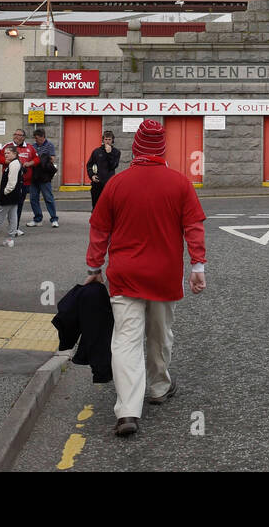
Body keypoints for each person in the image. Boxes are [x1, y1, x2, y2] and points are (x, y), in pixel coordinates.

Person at [85, 120, 207, 438]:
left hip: (124, 274)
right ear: (162, 148)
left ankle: (127, 410)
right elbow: (194, 227)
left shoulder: (116, 184)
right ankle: (159, 388)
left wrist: (94, 268)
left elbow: (99, 230)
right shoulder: (180, 184)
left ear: (136, 147)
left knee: (125, 340)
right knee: (159, 334)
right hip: (164, 275)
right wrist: (198, 267)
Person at [0, 129, 38, 229]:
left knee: (18, 205)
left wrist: (29, 163)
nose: (16, 136)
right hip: (10, 182)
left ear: (23, 137)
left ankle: (15, 227)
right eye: (15, 134)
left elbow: (37, 159)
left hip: (24, 182)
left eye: (19, 135)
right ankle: (9, 226)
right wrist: (10, 161)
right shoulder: (7, 146)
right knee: (7, 205)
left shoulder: (29, 147)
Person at [25, 128, 59, 227]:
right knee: (33, 198)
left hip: (44, 176)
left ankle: (54, 219)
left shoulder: (49, 145)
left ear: (43, 137)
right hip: (34, 175)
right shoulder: (33, 146)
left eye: (38, 138)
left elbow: (52, 158)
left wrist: (38, 159)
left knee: (48, 198)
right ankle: (37, 219)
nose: (36, 140)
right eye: (35, 138)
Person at [87, 130, 122, 209]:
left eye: (109, 139)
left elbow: (113, 166)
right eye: (106, 139)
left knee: (107, 207)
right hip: (97, 183)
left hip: (109, 183)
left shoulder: (116, 152)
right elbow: (89, 165)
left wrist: (109, 153)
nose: (107, 141)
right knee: (96, 206)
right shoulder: (96, 151)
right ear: (103, 140)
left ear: (112, 140)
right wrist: (92, 175)